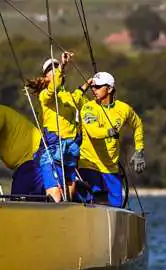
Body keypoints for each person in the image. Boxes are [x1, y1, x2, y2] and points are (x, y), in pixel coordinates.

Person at [26, 52, 90, 202]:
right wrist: (62, 66)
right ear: (46, 77)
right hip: (53, 145)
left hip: (71, 147)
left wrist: (88, 84)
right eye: (51, 69)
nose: (55, 70)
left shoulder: (67, 95)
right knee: (55, 193)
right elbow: (53, 88)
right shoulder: (45, 95)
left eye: (56, 67)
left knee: (69, 188)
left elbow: (78, 96)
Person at [79, 71, 145, 208]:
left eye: (97, 87)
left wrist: (139, 150)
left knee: (116, 207)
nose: (93, 89)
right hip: (89, 165)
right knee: (95, 202)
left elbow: (138, 124)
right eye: (92, 87)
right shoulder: (88, 108)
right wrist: (109, 131)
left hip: (111, 168)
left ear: (109, 89)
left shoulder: (124, 109)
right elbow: (93, 132)